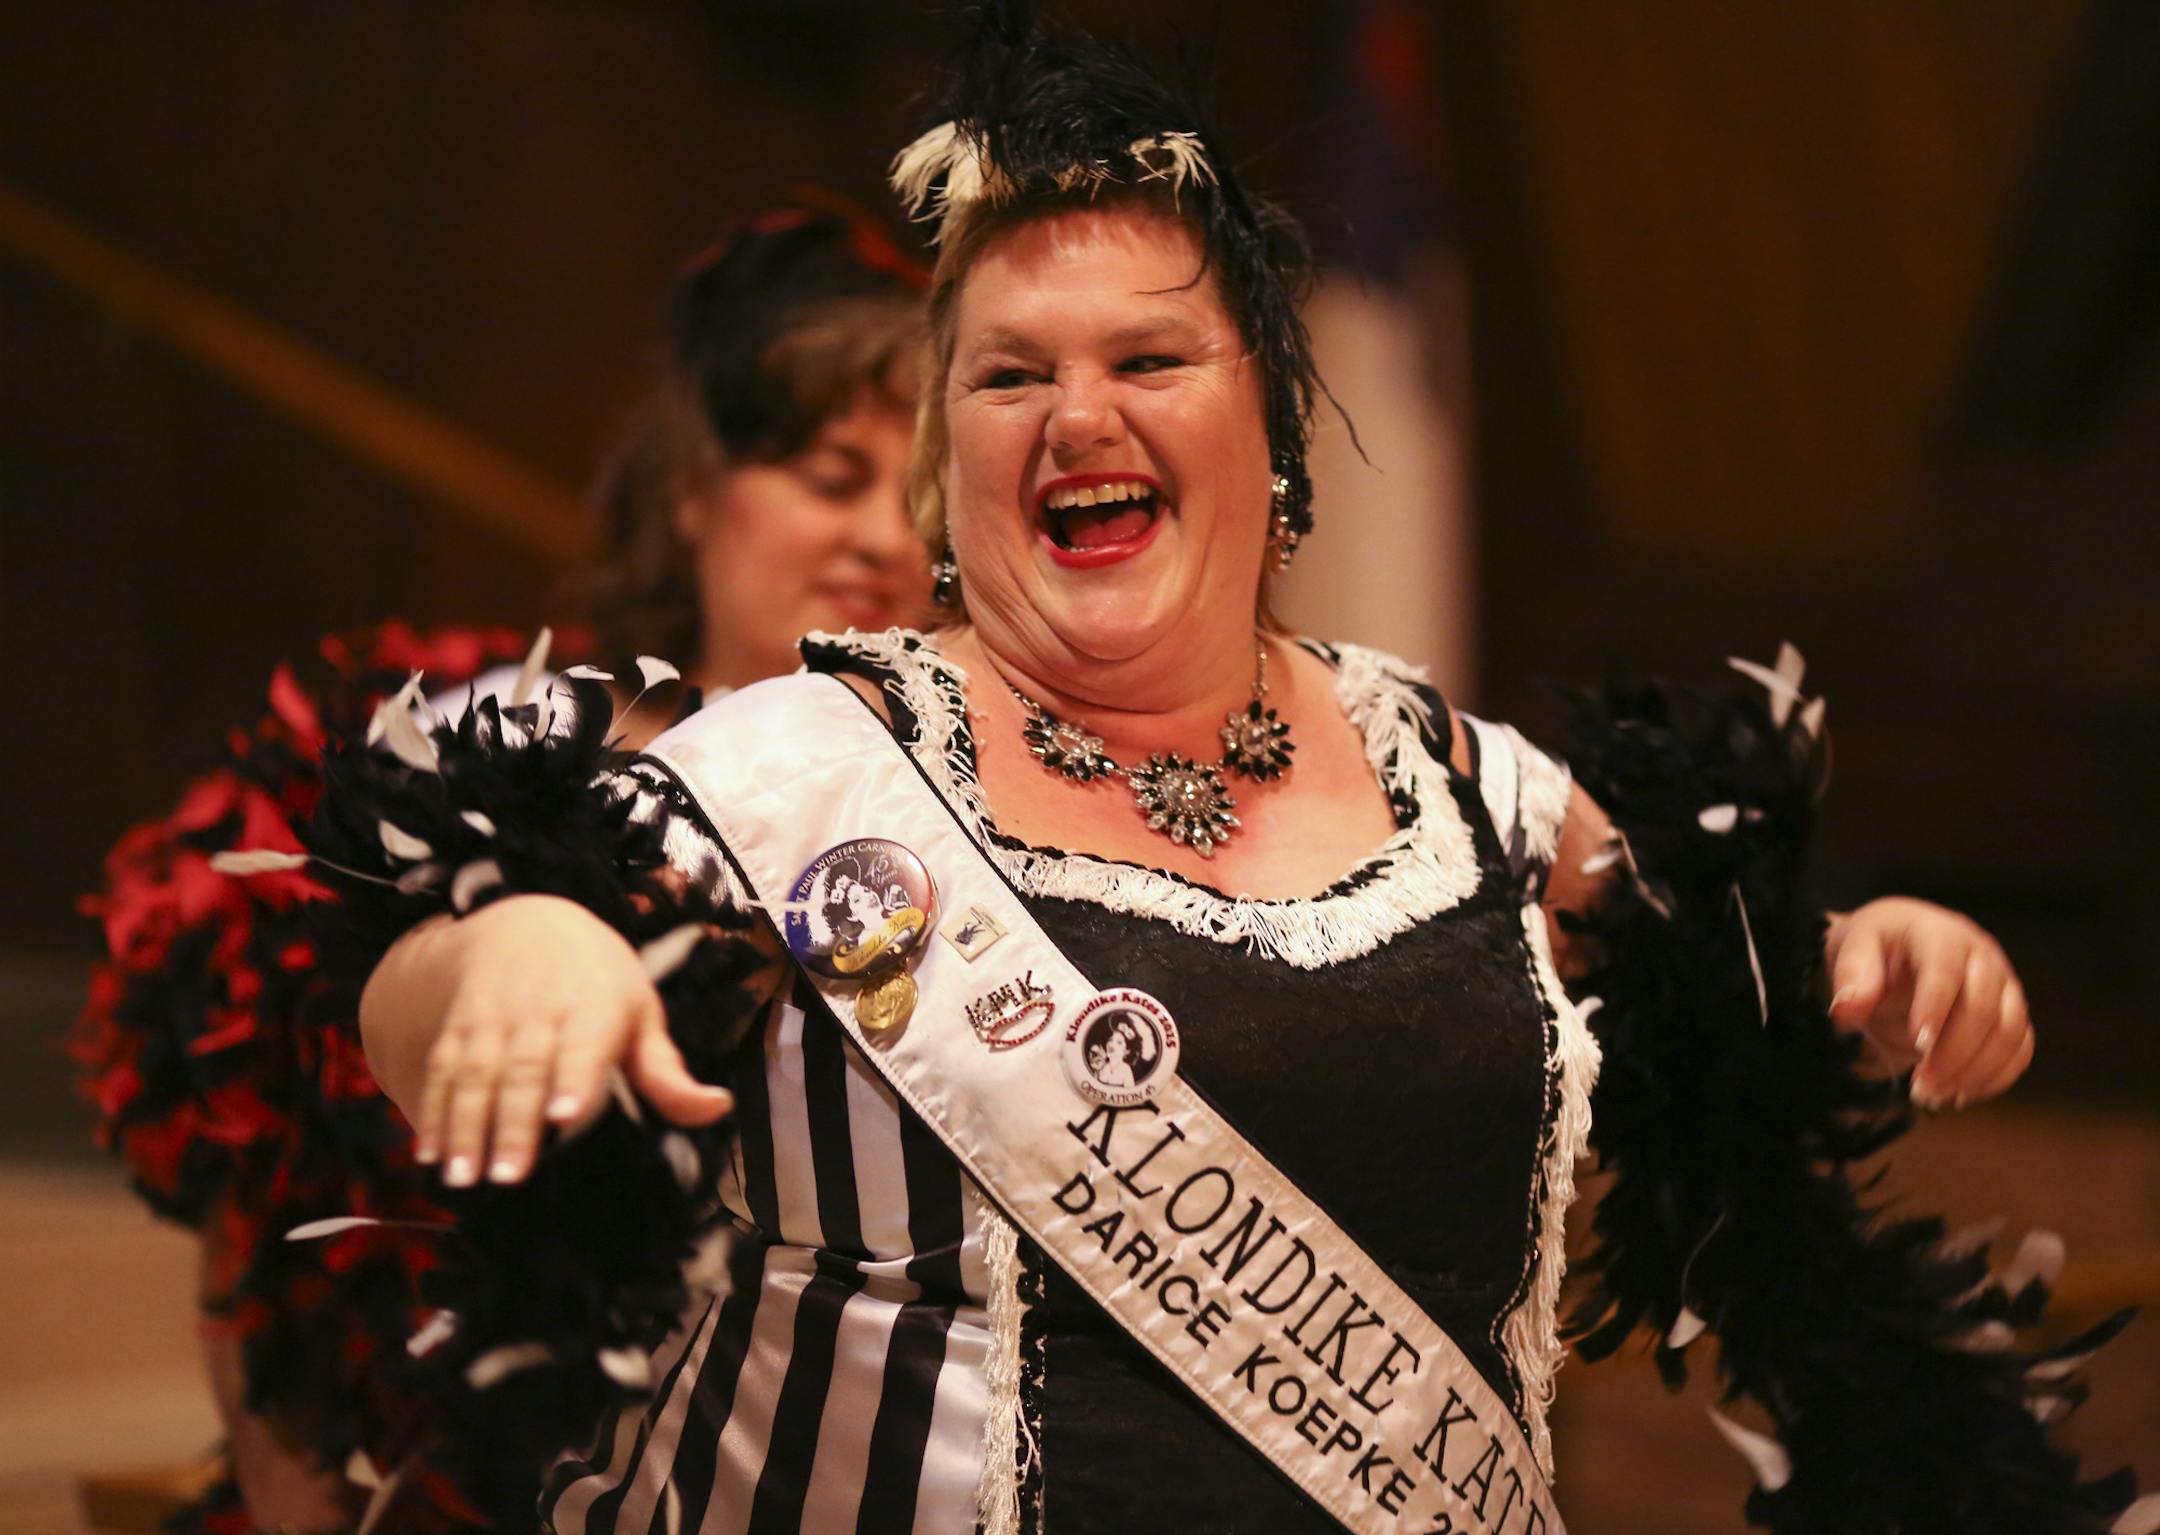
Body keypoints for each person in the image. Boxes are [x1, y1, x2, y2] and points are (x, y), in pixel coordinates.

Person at [301, 13, 2142, 1535]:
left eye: (1148, 357)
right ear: (953, 468)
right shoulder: (798, 767)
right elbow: (420, 983)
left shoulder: (1447, 770)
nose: (1079, 416)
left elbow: (1729, 974)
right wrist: (510, 954)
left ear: (1271, 422)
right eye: (1010, 377)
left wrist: (1877, 952)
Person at [73, 202, 927, 1533]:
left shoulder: (974, 796)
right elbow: (274, 1143)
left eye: (920, 497)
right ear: (696, 488)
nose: (886, 536)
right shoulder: (516, 738)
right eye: (831, 476)